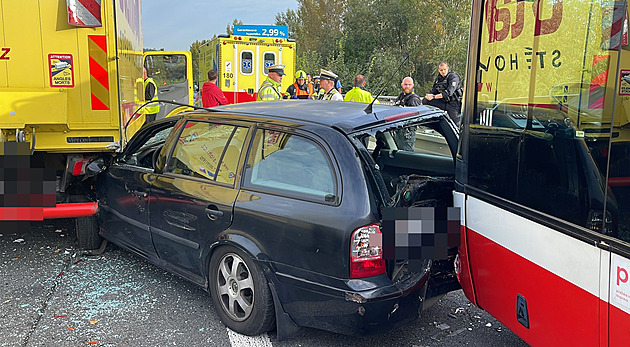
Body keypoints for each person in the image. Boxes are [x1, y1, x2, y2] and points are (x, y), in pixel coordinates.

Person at [393, 77, 422, 150]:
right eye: (405, 84)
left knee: (406, 154)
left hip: (407, 132)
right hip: (399, 130)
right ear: (402, 85)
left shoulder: (414, 99)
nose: (407, 86)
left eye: (409, 85)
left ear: (412, 85)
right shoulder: (401, 96)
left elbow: (413, 116)